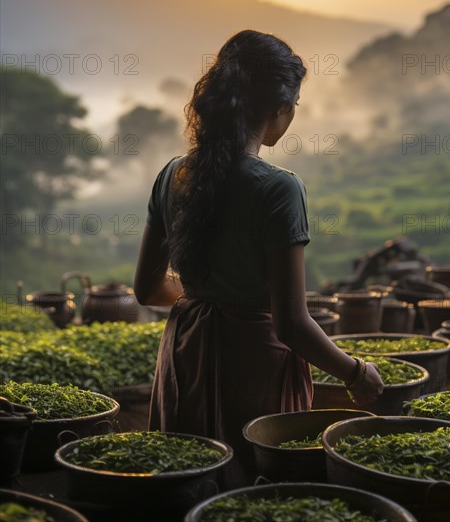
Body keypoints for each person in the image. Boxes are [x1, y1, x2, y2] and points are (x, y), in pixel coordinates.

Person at [134, 30, 384, 489]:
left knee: (188, 479)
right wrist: (356, 373)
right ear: (280, 108)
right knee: (257, 488)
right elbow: (290, 323)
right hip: (255, 367)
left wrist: (204, 300)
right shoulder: (279, 188)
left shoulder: (172, 174)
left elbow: (148, 290)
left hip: (185, 354)